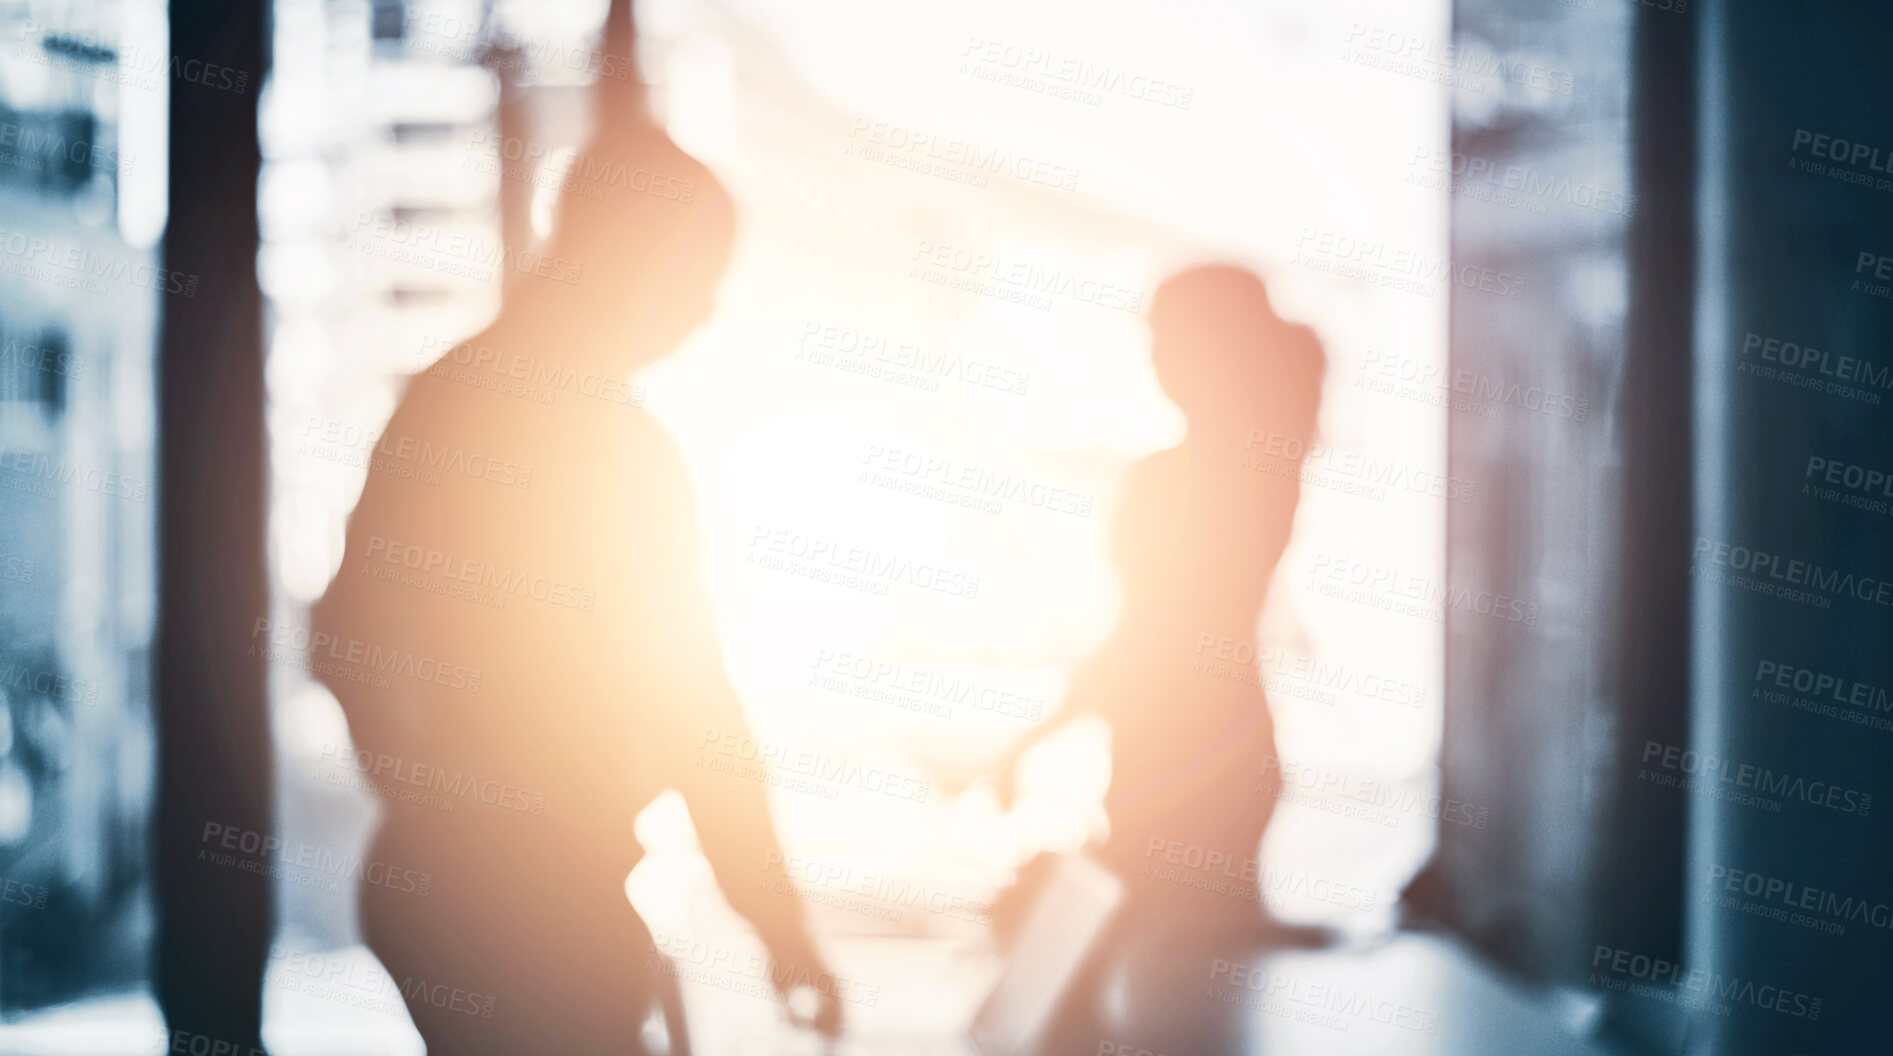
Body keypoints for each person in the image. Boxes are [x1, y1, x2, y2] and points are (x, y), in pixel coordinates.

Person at [309, 9, 837, 1052]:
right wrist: (778, 926)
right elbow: (699, 712)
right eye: (699, 281)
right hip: (535, 914)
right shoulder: (619, 453)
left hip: (444, 895)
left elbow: (342, 637)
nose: (708, 312)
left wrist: (436, 809)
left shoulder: (443, 403)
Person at [978, 265, 1329, 1049]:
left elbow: (1142, 642)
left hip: (1185, 766)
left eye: (1170, 340)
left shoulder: (1185, 479)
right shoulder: (1267, 468)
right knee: (1173, 999)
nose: (1155, 359)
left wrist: (1029, 741)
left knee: (1122, 1002)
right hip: (1208, 756)